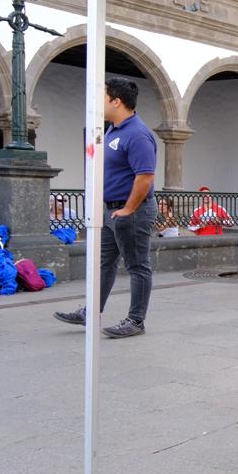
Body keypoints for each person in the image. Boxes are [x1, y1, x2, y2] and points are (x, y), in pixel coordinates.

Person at [54, 78, 159, 339]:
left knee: (138, 265)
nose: (97, 103)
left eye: (102, 98)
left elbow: (145, 176)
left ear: (116, 101)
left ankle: (136, 321)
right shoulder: (112, 130)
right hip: (112, 211)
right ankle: (91, 312)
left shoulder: (137, 134)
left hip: (132, 211)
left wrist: (129, 209)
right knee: (104, 264)